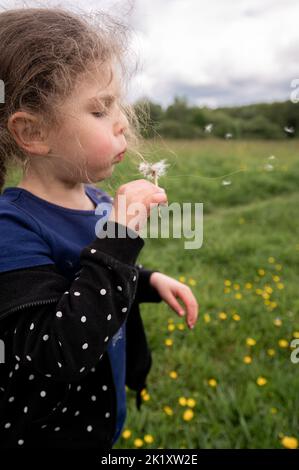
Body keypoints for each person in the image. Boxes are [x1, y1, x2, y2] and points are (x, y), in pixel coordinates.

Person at [0, 7, 198, 449]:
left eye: (117, 104)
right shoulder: (11, 227)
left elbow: (91, 277)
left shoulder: (98, 201)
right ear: (32, 132)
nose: (122, 120)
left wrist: (149, 280)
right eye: (99, 108)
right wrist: (119, 240)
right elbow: (55, 349)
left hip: (101, 414)